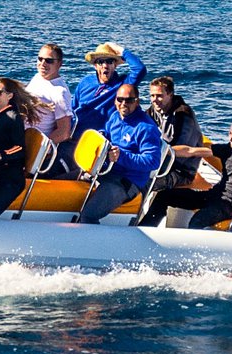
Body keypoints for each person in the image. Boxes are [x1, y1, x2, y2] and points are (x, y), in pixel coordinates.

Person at [138, 116, 232, 230]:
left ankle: (190, 258)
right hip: (212, 196)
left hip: (228, 206)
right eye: (230, 133)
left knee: (197, 221)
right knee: (164, 195)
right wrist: (167, 151)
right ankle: (145, 232)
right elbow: (191, 151)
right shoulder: (228, 150)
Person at [77, 84, 163, 224]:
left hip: (125, 182)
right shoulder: (115, 116)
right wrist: (101, 136)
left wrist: (121, 157)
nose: (123, 104)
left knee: (89, 215)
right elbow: (107, 133)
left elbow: (153, 161)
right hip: (105, 171)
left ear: (137, 101)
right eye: (120, 99)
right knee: (68, 177)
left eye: (128, 100)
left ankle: (93, 243)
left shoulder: (146, 128)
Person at [68, 42, 147, 171]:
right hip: (73, 138)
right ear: (95, 65)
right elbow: (72, 109)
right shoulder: (85, 83)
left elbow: (140, 69)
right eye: (100, 62)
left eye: (109, 61)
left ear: (115, 65)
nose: (105, 65)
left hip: (97, 142)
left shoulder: (122, 85)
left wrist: (120, 50)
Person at [0, 77, 41, 219]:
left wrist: (1, 154)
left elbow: (20, 148)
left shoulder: (13, 118)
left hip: (10, 178)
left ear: (10, 96)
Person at [146, 75, 204, 190]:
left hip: (181, 171)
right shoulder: (154, 110)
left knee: (146, 182)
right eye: (152, 96)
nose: (154, 100)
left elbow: (178, 155)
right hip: (161, 160)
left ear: (170, 95)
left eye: (159, 96)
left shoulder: (183, 115)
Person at [25, 42, 74, 175]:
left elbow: (64, 132)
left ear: (59, 64)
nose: (42, 63)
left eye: (49, 61)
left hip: (33, 146)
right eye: (40, 59)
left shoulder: (60, 93)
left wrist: (37, 149)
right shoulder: (38, 78)